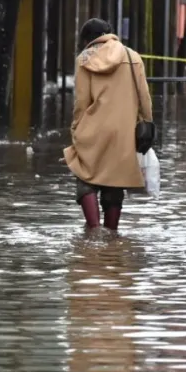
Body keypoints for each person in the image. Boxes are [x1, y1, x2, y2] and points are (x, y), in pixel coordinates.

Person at [65, 18, 150, 231]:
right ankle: (111, 236)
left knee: (85, 177)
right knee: (114, 183)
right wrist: (146, 124)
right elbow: (144, 99)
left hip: (92, 128)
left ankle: (93, 232)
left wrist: (75, 128)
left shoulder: (84, 59)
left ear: (87, 40)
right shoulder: (133, 57)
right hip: (123, 132)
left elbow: (82, 102)